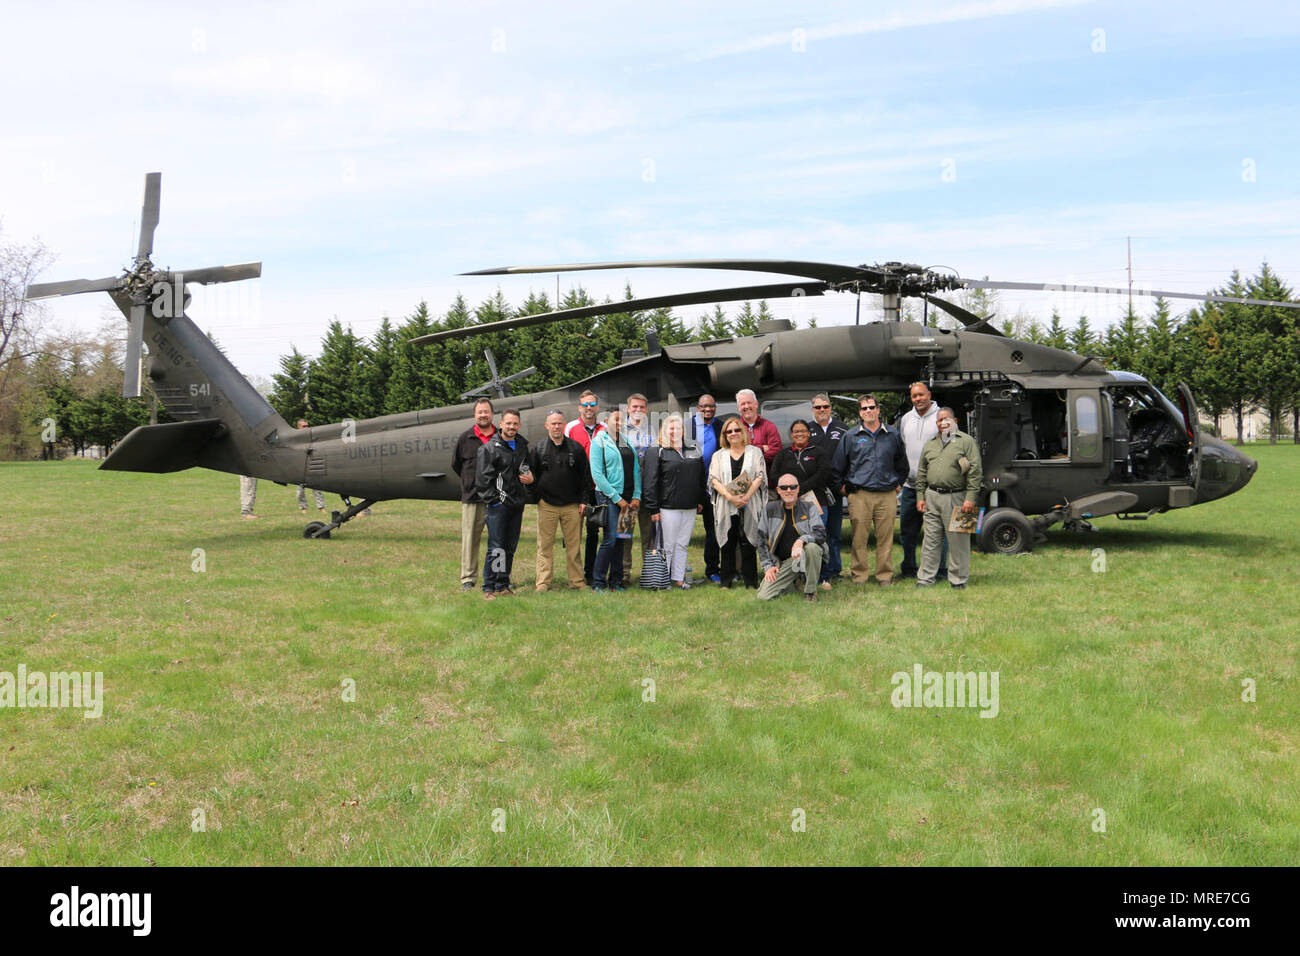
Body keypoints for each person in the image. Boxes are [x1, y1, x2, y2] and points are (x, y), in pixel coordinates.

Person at [832, 394, 908, 586]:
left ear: (878, 410)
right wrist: (844, 489)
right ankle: (859, 576)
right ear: (860, 412)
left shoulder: (893, 435)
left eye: (871, 407)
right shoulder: (851, 436)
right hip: (860, 495)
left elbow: (902, 463)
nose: (868, 411)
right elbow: (837, 466)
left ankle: (884, 576)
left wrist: (898, 482)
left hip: (887, 494)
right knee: (859, 538)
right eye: (864, 408)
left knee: (886, 538)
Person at [916, 407, 983, 590]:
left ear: (955, 421)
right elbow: (922, 472)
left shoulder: (966, 442)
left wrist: (970, 498)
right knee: (930, 540)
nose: (943, 422)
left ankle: (958, 580)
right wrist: (920, 496)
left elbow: (975, 472)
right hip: (932, 496)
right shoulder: (930, 443)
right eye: (939, 420)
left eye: (946, 419)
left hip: (959, 497)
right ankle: (925, 579)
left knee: (959, 541)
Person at [529, 410, 593, 592]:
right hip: (547, 505)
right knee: (545, 546)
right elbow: (530, 475)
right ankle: (542, 583)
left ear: (564, 425)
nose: (556, 427)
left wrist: (584, 500)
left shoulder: (576, 449)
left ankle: (577, 582)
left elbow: (585, 477)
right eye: (553, 423)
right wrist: (538, 498)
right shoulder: (539, 449)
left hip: (572, 506)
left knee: (574, 547)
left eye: (559, 423)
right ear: (546, 426)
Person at [642, 413, 706, 589]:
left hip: (690, 506)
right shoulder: (657, 450)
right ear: (665, 430)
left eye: (679, 428)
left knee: (682, 544)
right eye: (671, 428)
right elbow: (650, 482)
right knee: (667, 545)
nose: (675, 431)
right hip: (667, 507)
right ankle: (662, 580)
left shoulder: (693, 449)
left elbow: (701, 477)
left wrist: (700, 499)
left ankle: (678, 578)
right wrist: (653, 508)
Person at [475, 409, 532, 599]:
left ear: (519, 425)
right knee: (497, 547)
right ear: (500, 424)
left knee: (509, 547)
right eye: (508, 423)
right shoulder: (489, 448)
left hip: (517, 504)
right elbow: (483, 480)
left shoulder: (522, 445)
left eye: (515, 423)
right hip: (499, 506)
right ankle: (489, 586)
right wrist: (496, 502)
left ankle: (503, 584)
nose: (511, 427)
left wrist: (530, 477)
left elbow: (527, 468)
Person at [771, 420, 833, 589]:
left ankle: (823, 577)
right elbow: (774, 474)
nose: (799, 434)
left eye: (803, 431)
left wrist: (800, 489)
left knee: (817, 539)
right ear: (791, 434)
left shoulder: (819, 452)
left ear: (809, 433)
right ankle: (797, 577)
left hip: (816, 501)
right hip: (790, 503)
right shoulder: (784, 454)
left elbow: (823, 473)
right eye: (796, 431)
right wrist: (790, 490)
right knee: (793, 539)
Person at [708, 415, 766, 589]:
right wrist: (730, 497)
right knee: (727, 542)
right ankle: (726, 581)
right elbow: (714, 480)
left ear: (743, 432)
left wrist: (746, 497)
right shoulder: (719, 455)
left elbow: (760, 476)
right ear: (725, 435)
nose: (733, 433)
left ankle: (751, 581)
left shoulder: (755, 452)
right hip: (727, 504)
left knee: (749, 542)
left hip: (750, 502)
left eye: (737, 430)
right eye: (729, 431)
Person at [897, 382, 946, 580]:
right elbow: (903, 448)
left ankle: (941, 570)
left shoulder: (942, 416)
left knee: (937, 532)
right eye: (914, 396)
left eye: (921, 395)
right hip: (910, 486)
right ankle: (909, 568)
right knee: (907, 531)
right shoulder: (906, 419)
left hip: (935, 487)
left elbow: (953, 446)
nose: (918, 399)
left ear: (929, 394)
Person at [589, 408, 640, 592]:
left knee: (622, 538)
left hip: (628, 499)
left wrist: (637, 495)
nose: (619, 423)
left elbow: (636, 471)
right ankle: (598, 582)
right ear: (605, 421)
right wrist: (617, 498)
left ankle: (616, 582)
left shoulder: (626, 442)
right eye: (616, 419)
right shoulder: (599, 441)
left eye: (622, 420)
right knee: (610, 539)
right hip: (610, 497)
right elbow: (597, 475)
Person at [756, 472, 827, 603]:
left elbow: (820, 533)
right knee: (763, 596)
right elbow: (761, 540)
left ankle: (810, 592)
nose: (788, 490)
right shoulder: (769, 509)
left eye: (793, 487)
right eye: (784, 487)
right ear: (778, 490)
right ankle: (795, 582)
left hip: (804, 556)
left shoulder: (809, 507)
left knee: (812, 548)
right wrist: (768, 566)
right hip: (783, 563)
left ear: (798, 489)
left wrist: (801, 540)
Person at [451, 398, 495, 591]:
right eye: (480, 412)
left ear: (492, 414)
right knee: (470, 539)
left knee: (497, 541)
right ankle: (468, 578)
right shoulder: (465, 438)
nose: (483, 415)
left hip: (496, 498)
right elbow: (457, 464)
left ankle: (497, 576)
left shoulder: (500, 437)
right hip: (472, 498)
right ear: (475, 414)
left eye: (486, 411)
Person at [565, 389, 606, 586]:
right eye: (585, 405)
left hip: (598, 488)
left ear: (597, 407)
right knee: (574, 534)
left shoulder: (605, 428)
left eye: (592, 405)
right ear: (580, 407)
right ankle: (575, 575)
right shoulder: (571, 427)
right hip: (577, 488)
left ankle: (590, 573)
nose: (589, 408)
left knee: (594, 531)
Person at [807, 393, 849, 586]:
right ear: (812, 409)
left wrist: (845, 483)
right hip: (815, 492)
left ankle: (835, 569)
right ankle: (819, 570)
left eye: (825, 406)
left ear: (831, 408)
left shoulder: (842, 428)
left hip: (836, 489)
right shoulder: (807, 429)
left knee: (834, 532)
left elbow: (851, 457)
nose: (821, 410)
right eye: (817, 407)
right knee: (817, 532)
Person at [621, 392, 656, 582]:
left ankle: (649, 574)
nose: (638, 410)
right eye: (634, 407)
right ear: (628, 409)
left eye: (641, 407)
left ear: (647, 409)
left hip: (648, 492)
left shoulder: (654, 431)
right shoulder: (619, 431)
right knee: (625, 534)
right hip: (627, 493)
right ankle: (624, 574)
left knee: (648, 536)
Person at [690, 394, 724, 583]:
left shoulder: (721, 426)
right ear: (698, 408)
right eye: (704, 406)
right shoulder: (687, 427)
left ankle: (712, 570)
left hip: (715, 486)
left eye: (711, 406)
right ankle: (677, 573)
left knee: (713, 531)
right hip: (692, 486)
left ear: (715, 407)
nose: (707, 409)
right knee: (681, 532)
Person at [736, 388, 781, 474]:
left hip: (765, 479)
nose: (746, 406)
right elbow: (733, 451)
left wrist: (750, 459)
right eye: (743, 404)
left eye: (749, 403)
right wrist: (762, 448)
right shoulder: (735, 429)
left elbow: (776, 451)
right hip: (741, 480)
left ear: (756, 404)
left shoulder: (769, 426)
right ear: (739, 408)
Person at [294, 419, 327, 513]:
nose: (306, 428)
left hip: (312, 465)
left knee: (317, 488)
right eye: (304, 426)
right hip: (300, 467)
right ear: (299, 427)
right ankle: (303, 508)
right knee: (300, 491)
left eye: (307, 425)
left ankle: (321, 508)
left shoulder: (312, 437)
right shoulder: (295, 439)